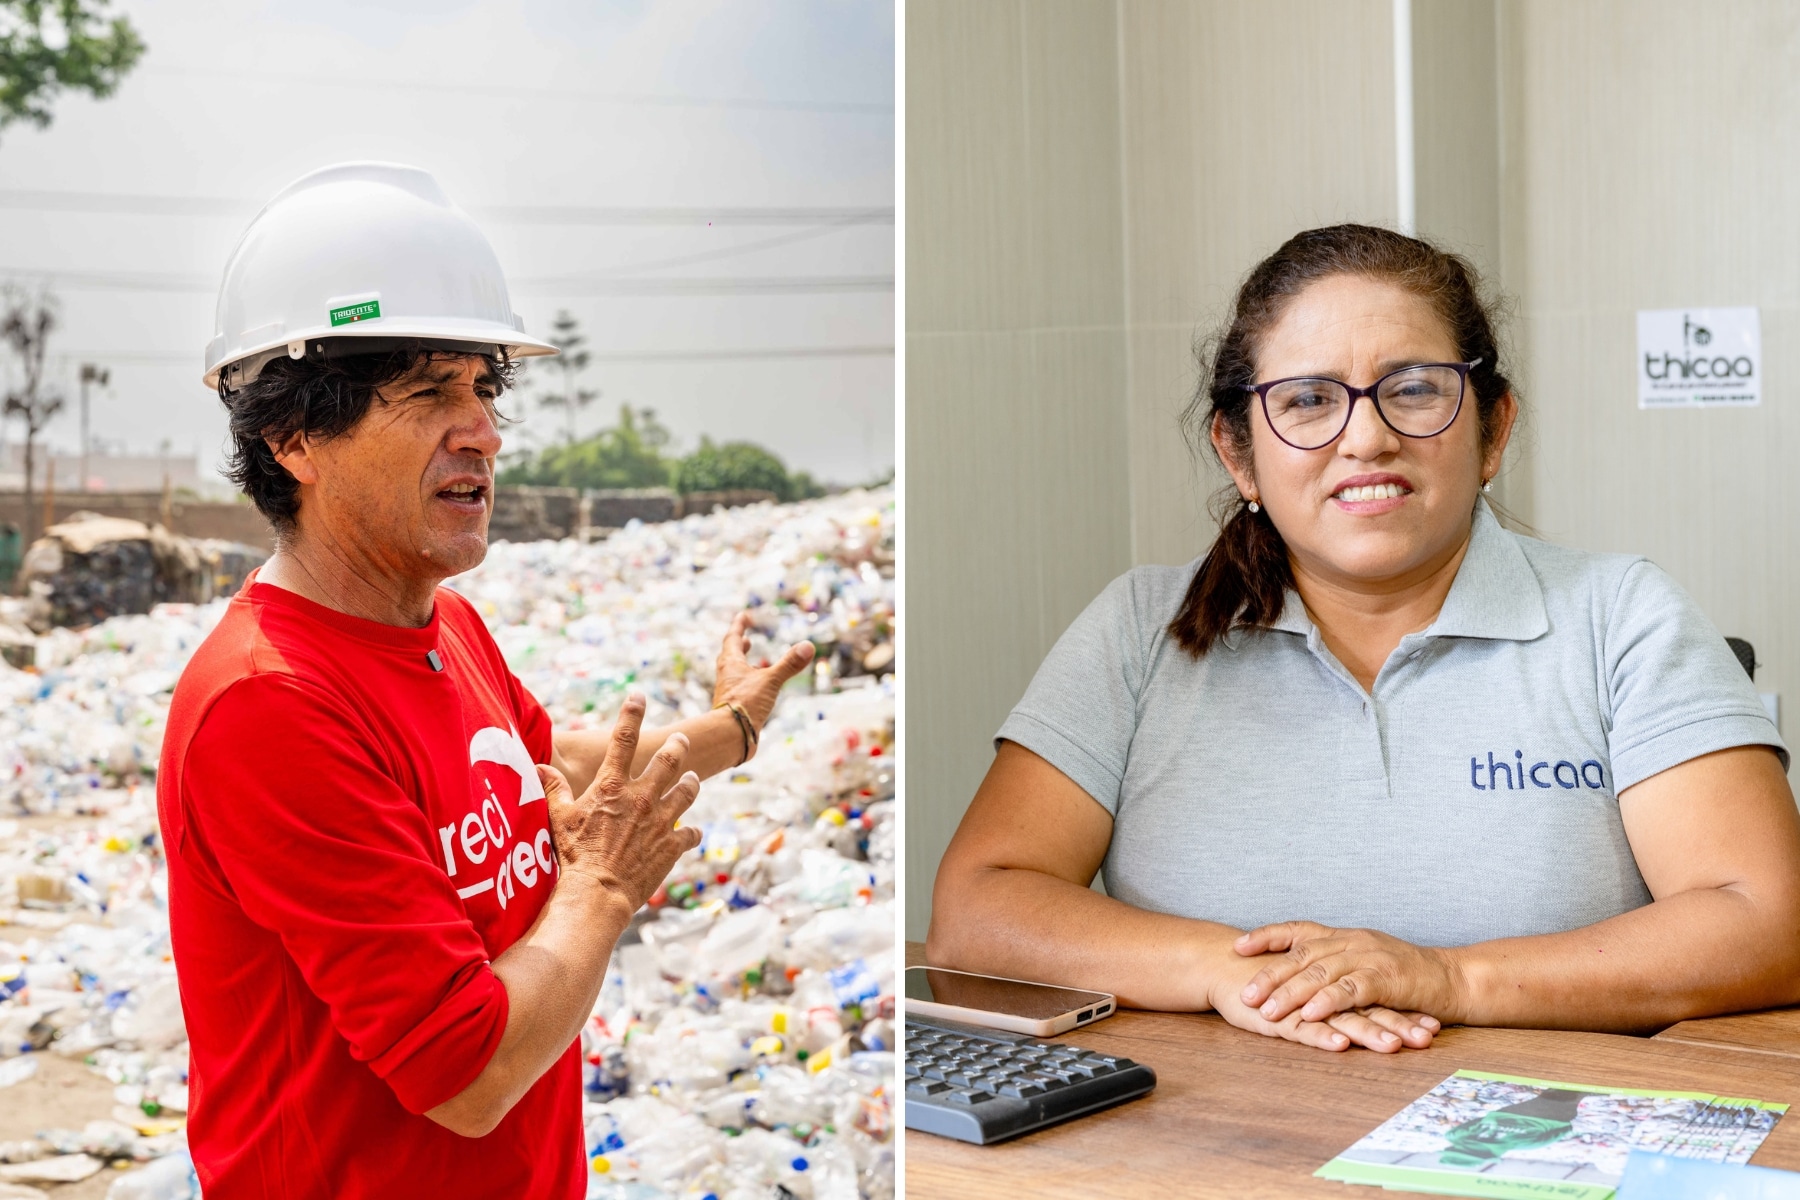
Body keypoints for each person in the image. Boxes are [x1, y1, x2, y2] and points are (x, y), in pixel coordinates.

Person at [929, 223, 1800, 1055]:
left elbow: (1768, 920)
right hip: (1219, 1141)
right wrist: (1229, 973)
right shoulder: (1138, 630)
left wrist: (1447, 979)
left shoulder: (1622, 618)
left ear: (1493, 429)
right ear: (1239, 456)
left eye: (1414, 388)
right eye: (1307, 400)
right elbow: (978, 910)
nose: (1367, 438)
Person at [158, 163, 814, 1198]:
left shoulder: (444, 626)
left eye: (483, 389)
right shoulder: (270, 704)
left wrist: (735, 725)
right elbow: (467, 1072)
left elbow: (547, 764)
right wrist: (599, 890)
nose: (483, 434)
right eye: (429, 394)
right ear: (295, 440)